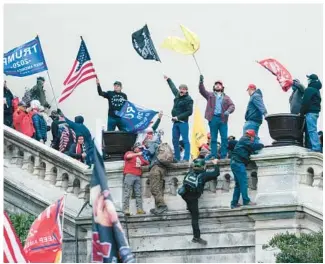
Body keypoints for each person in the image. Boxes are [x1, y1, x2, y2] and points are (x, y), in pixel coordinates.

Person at [178, 158, 220, 245]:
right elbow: (216, 173)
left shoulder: (190, 173)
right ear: (203, 166)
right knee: (195, 217)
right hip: (193, 198)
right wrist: (215, 164)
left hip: (184, 195)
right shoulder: (204, 175)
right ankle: (196, 237)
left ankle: (189, 207)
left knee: (190, 206)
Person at [199, 75, 235, 160]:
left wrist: (228, 111)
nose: (218, 85)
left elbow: (232, 106)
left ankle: (223, 156)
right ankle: (214, 155)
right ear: (214, 87)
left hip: (223, 119)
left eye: (219, 84)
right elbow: (202, 91)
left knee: (224, 138)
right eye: (216, 84)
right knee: (213, 138)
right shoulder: (210, 95)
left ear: (222, 87)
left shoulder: (226, 97)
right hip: (213, 119)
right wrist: (201, 82)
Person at [230, 129, 264, 209]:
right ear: (252, 136)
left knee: (238, 184)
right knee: (243, 182)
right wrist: (262, 145)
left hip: (235, 163)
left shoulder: (243, 140)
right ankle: (246, 201)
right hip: (238, 163)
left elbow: (250, 148)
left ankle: (234, 203)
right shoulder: (245, 139)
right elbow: (254, 146)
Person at [164, 75, 193, 162]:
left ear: (186, 91)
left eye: (184, 89)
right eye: (180, 88)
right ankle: (177, 157)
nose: (181, 90)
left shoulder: (189, 99)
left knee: (185, 140)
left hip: (183, 122)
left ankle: (186, 158)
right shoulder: (177, 95)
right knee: (174, 140)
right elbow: (173, 88)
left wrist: (178, 117)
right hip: (175, 123)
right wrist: (168, 79)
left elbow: (189, 112)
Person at [123, 142, 149, 216]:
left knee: (138, 193)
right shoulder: (129, 152)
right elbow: (127, 156)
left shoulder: (141, 157)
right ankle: (126, 210)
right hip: (129, 175)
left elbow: (147, 162)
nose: (139, 149)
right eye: (138, 148)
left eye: (140, 148)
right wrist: (138, 154)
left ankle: (139, 209)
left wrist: (145, 154)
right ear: (134, 148)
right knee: (127, 193)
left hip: (138, 176)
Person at [146, 137, 169, 215]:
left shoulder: (152, 144)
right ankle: (158, 207)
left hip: (155, 168)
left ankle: (162, 206)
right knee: (159, 188)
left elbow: (150, 152)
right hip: (162, 169)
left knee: (154, 188)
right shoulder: (163, 148)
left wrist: (146, 151)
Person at [300, 74, 322, 152]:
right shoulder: (316, 89)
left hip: (310, 112)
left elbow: (305, 102)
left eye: (309, 79)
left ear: (311, 80)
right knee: (312, 130)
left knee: (312, 130)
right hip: (315, 112)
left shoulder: (309, 89)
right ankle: (315, 146)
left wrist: (301, 113)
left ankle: (316, 148)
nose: (308, 80)